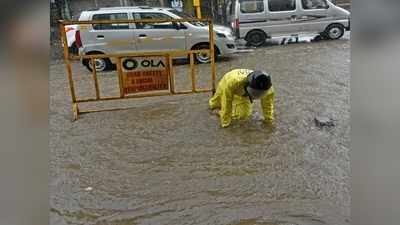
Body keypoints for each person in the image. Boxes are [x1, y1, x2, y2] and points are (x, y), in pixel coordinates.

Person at [209, 69, 275, 128]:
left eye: (260, 93)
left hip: (244, 93)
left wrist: (269, 121)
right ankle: (217, 110)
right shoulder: (232, 82)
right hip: (227, 82)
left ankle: (220, 112)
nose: (257, 95)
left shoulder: (269, 90)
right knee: (214, 104)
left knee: (243, 115)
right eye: (255, 93)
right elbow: (226, 102)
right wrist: (225, 123)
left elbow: (268, 106)